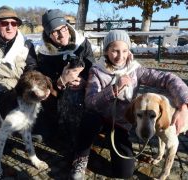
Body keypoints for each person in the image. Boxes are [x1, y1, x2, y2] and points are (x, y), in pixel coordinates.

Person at [69, 30, 188, 179]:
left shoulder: (135, 70)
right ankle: (80, 158)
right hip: (99, 118)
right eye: (115, 51)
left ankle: (110, 142)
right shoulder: (97, 70)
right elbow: (90, 102)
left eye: (124, 50)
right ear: (106, 51)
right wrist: (114, 89)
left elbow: (168, 78)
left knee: (124, 173)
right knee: (89, 120)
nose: (120, 56)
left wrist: (184, 105)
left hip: (120, 123)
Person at [32, 9, 95, 144]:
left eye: (63, 28)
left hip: (82, 91)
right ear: (48, 35)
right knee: (42, 134)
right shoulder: (44, 54)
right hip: (56, 95)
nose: (62, 35)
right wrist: (60, 81)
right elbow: (43, 81)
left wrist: (85, 81)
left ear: (67, 26)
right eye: (55, 32)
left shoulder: (82, 44)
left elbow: (93, 68)